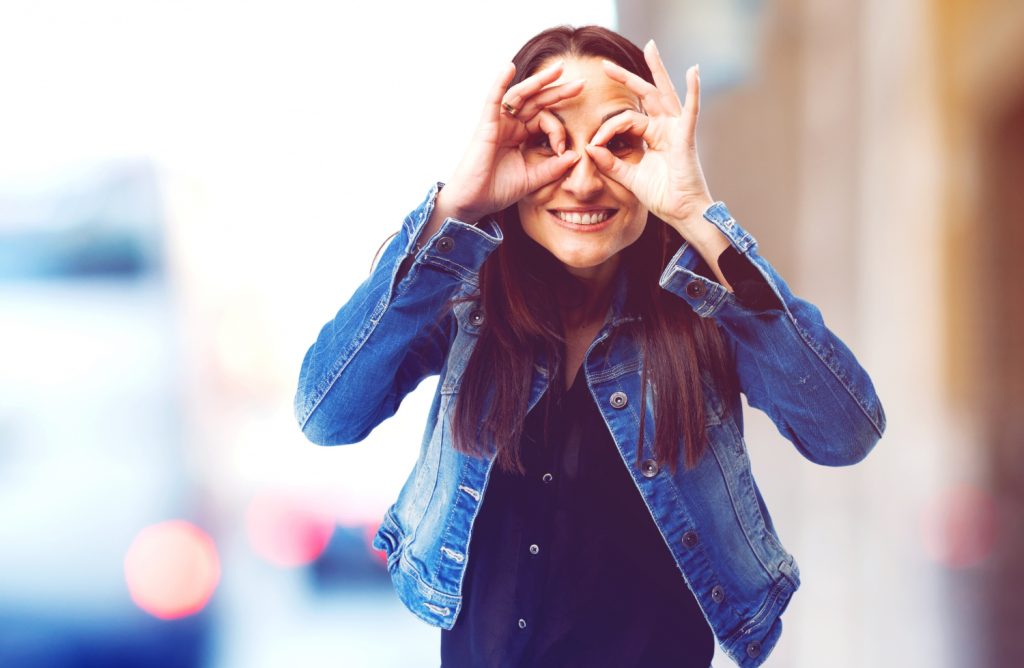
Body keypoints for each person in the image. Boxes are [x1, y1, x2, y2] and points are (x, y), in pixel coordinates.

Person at [294, 24, 886, 668]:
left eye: (617, 144)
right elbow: (328, 415)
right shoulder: (466, 295)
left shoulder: (704, 304)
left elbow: (843, 433)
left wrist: (696, 214)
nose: (581, 181)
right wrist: (452, 210)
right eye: (548, 142)